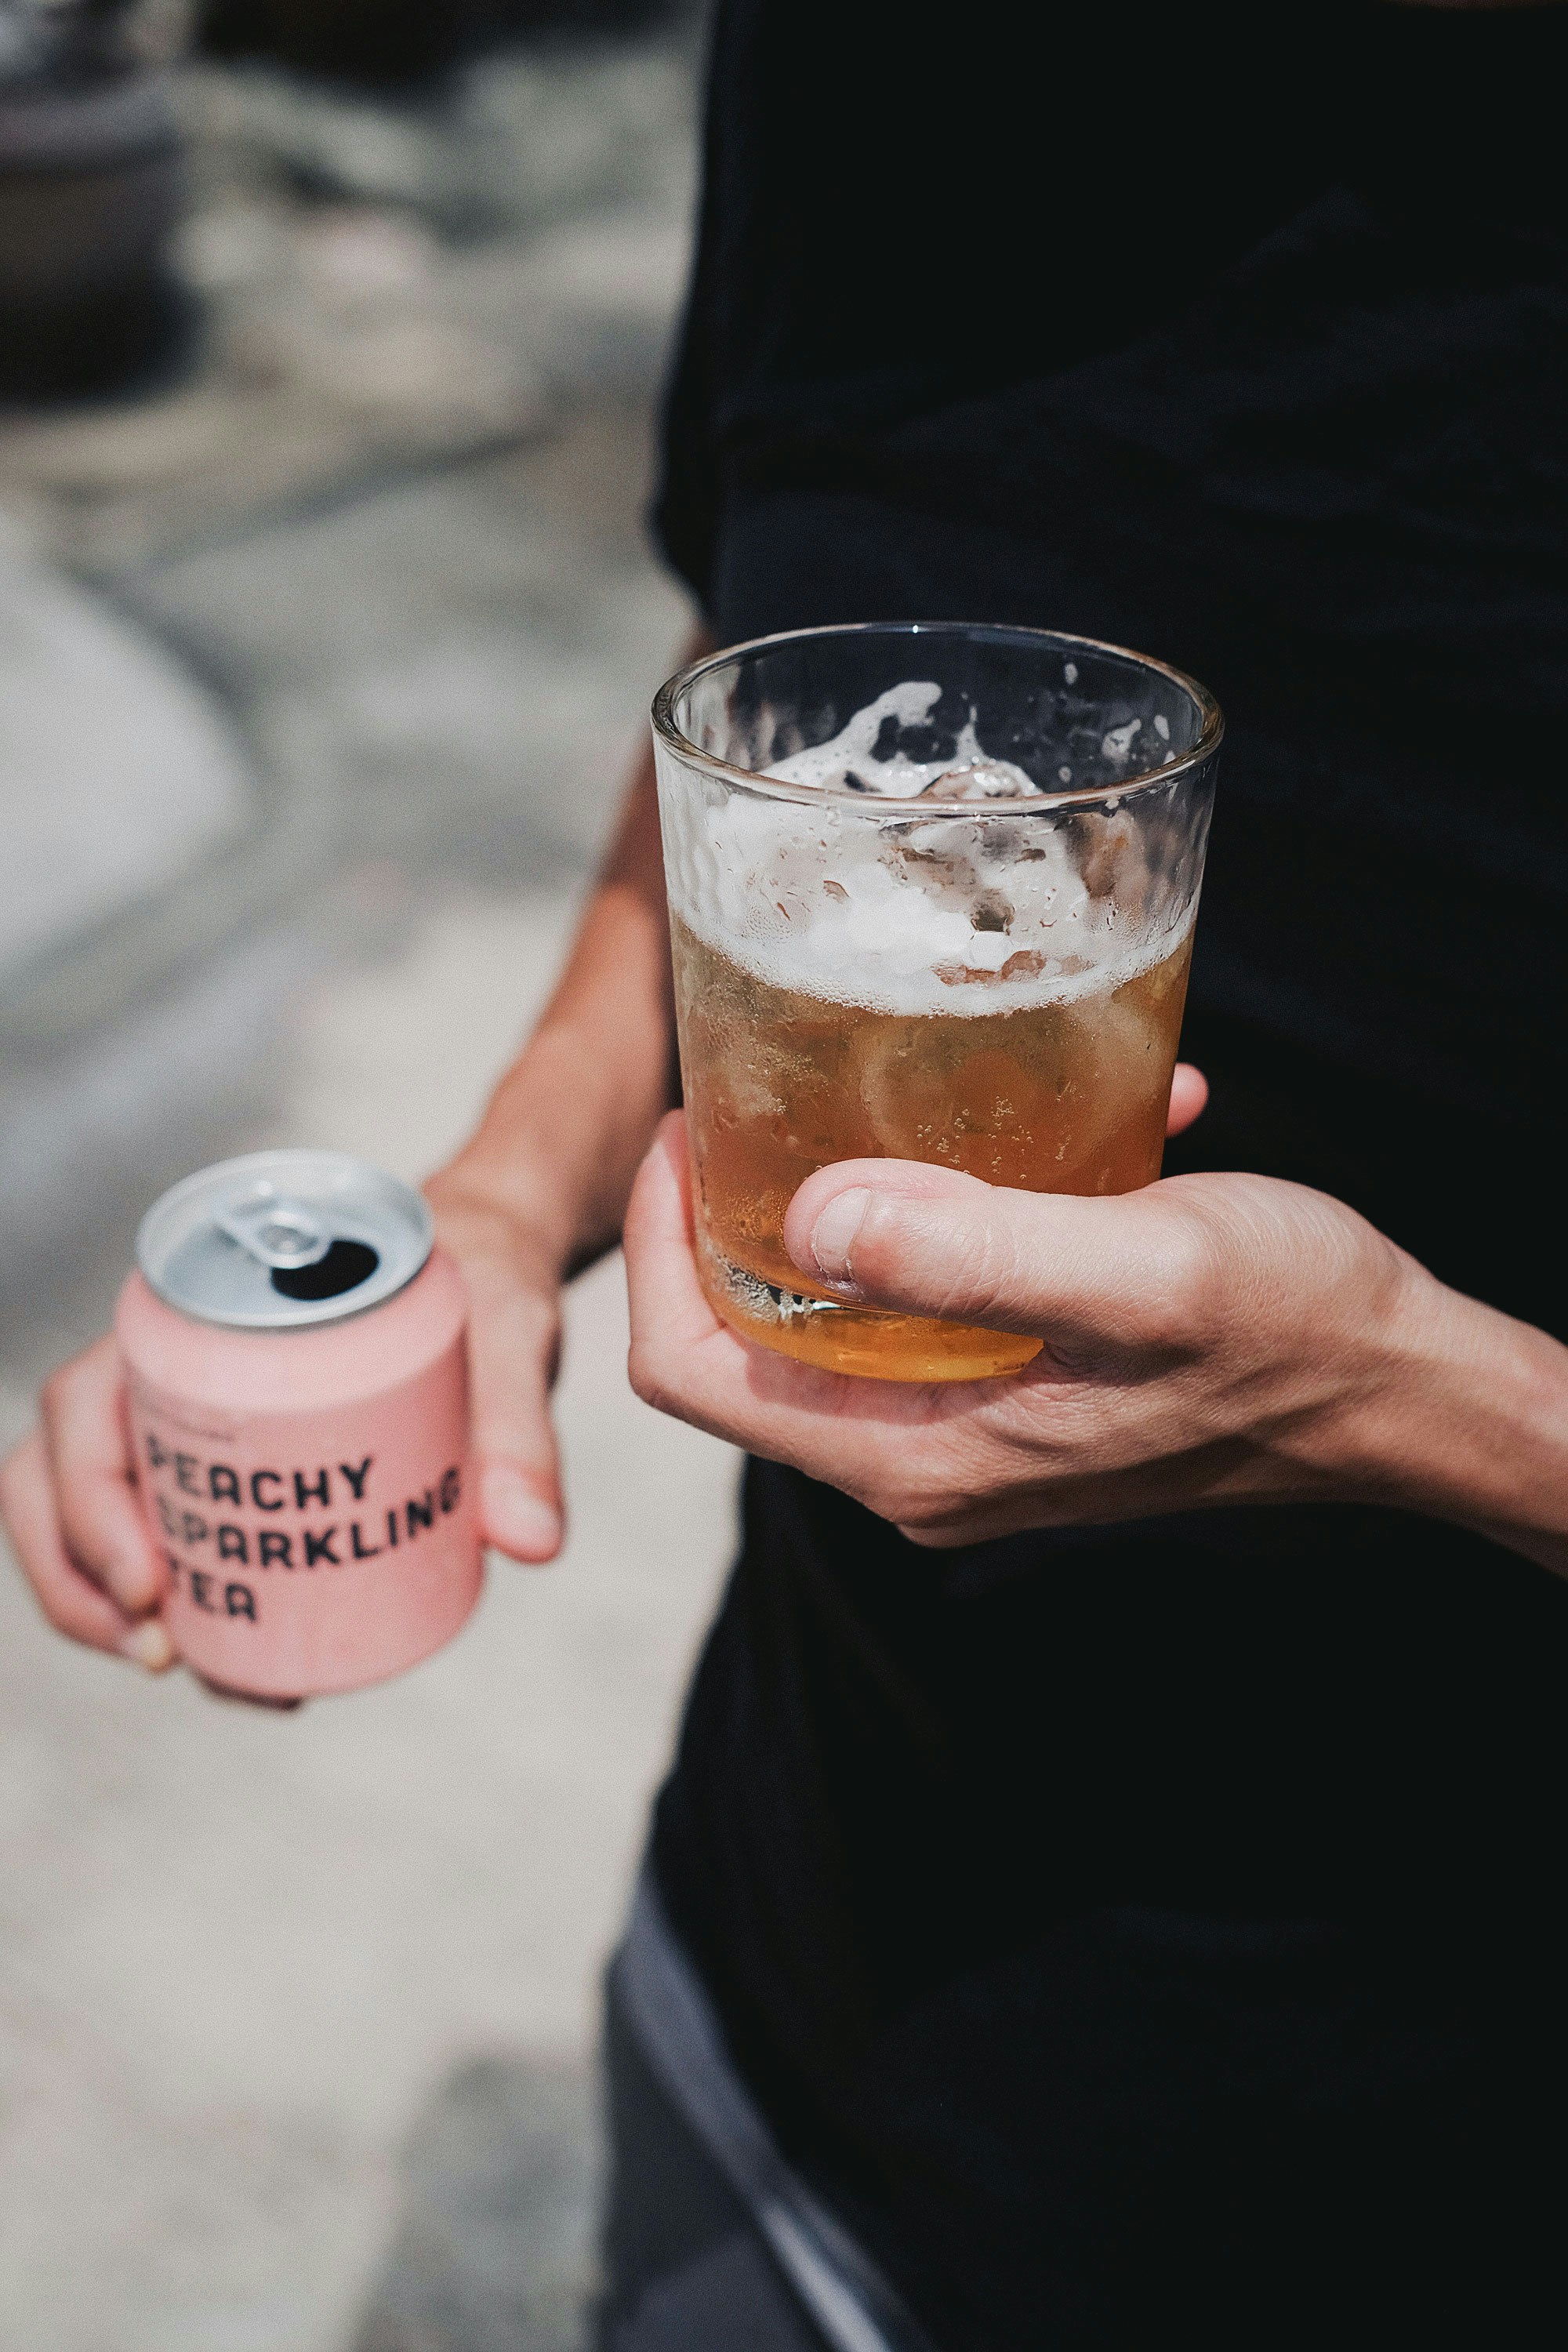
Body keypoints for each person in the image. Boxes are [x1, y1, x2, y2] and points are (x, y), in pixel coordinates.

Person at [8, 0, 1568, 2341]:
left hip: (1431, 2168)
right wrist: (507, 1199)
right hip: (802, 1976)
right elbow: (762, 699)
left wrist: (1419, 1406)